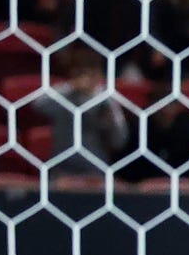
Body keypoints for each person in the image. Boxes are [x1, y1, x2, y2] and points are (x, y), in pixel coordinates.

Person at [36, 47, 129, 176]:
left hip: (96, 168)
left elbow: (119, 141)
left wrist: (110, 119)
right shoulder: (64, 94)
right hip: (62, 167)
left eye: (91, 74)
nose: (86, 79)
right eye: (81, 74)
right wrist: (71, 87)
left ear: (99, 75)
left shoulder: (106, 99)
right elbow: (38, 105)